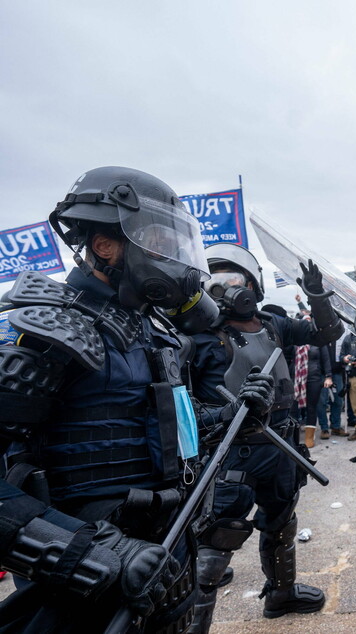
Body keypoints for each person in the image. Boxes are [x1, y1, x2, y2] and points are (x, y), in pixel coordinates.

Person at [0, 166, 222, 632]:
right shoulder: (54, 329)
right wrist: (89, 553)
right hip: (88, 585)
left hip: (166, 560)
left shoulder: (154, 332)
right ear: (106, 246)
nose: (175, 259)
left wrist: (234, 416)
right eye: (161, 243)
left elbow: (166, 431)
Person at [188, 243, 343, 629]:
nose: (224, 289)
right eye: (215, 281)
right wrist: (226, 412)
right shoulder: (198, 337)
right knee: (215, 544)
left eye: (232, 279)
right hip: (231, 454)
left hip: (281, 447)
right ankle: (190, 623)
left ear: (253, 286)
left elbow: (328, 332)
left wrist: (316, 295)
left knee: (281, 523)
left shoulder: (274, 325)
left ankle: (280, 595)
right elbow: (184, 412)